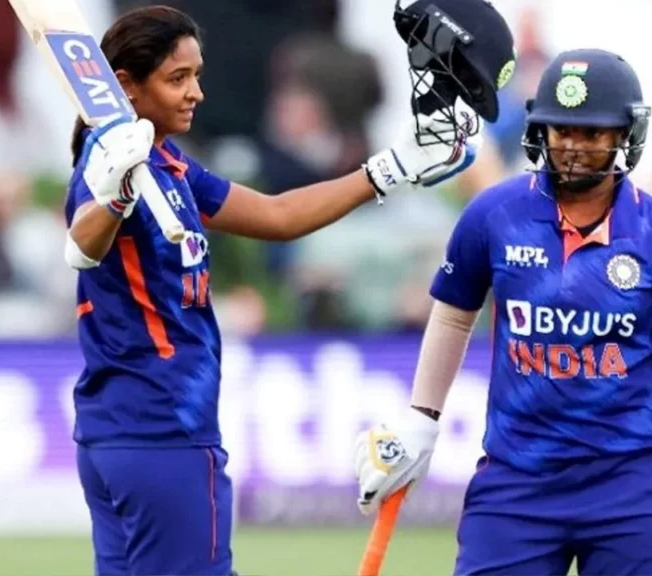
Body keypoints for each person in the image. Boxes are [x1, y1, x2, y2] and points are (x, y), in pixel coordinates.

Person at [62, 2, 515, 575]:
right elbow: (82, 247)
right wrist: (115, 198)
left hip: (124, 435)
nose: (196, 92)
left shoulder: (167, 165)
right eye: (178, 78)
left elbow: (276, 217)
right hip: (161, 432)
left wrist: (388, 169)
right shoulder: (109, 166)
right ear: (126, 86)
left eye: (196, 75)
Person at [352, 48, 652, 576]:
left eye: (592, 133)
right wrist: (422, 420)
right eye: (562, 130)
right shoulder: (493, 216)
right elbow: (454, 316)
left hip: (632, 487)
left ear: (625, 135)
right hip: (516, 482)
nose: (572, 146)